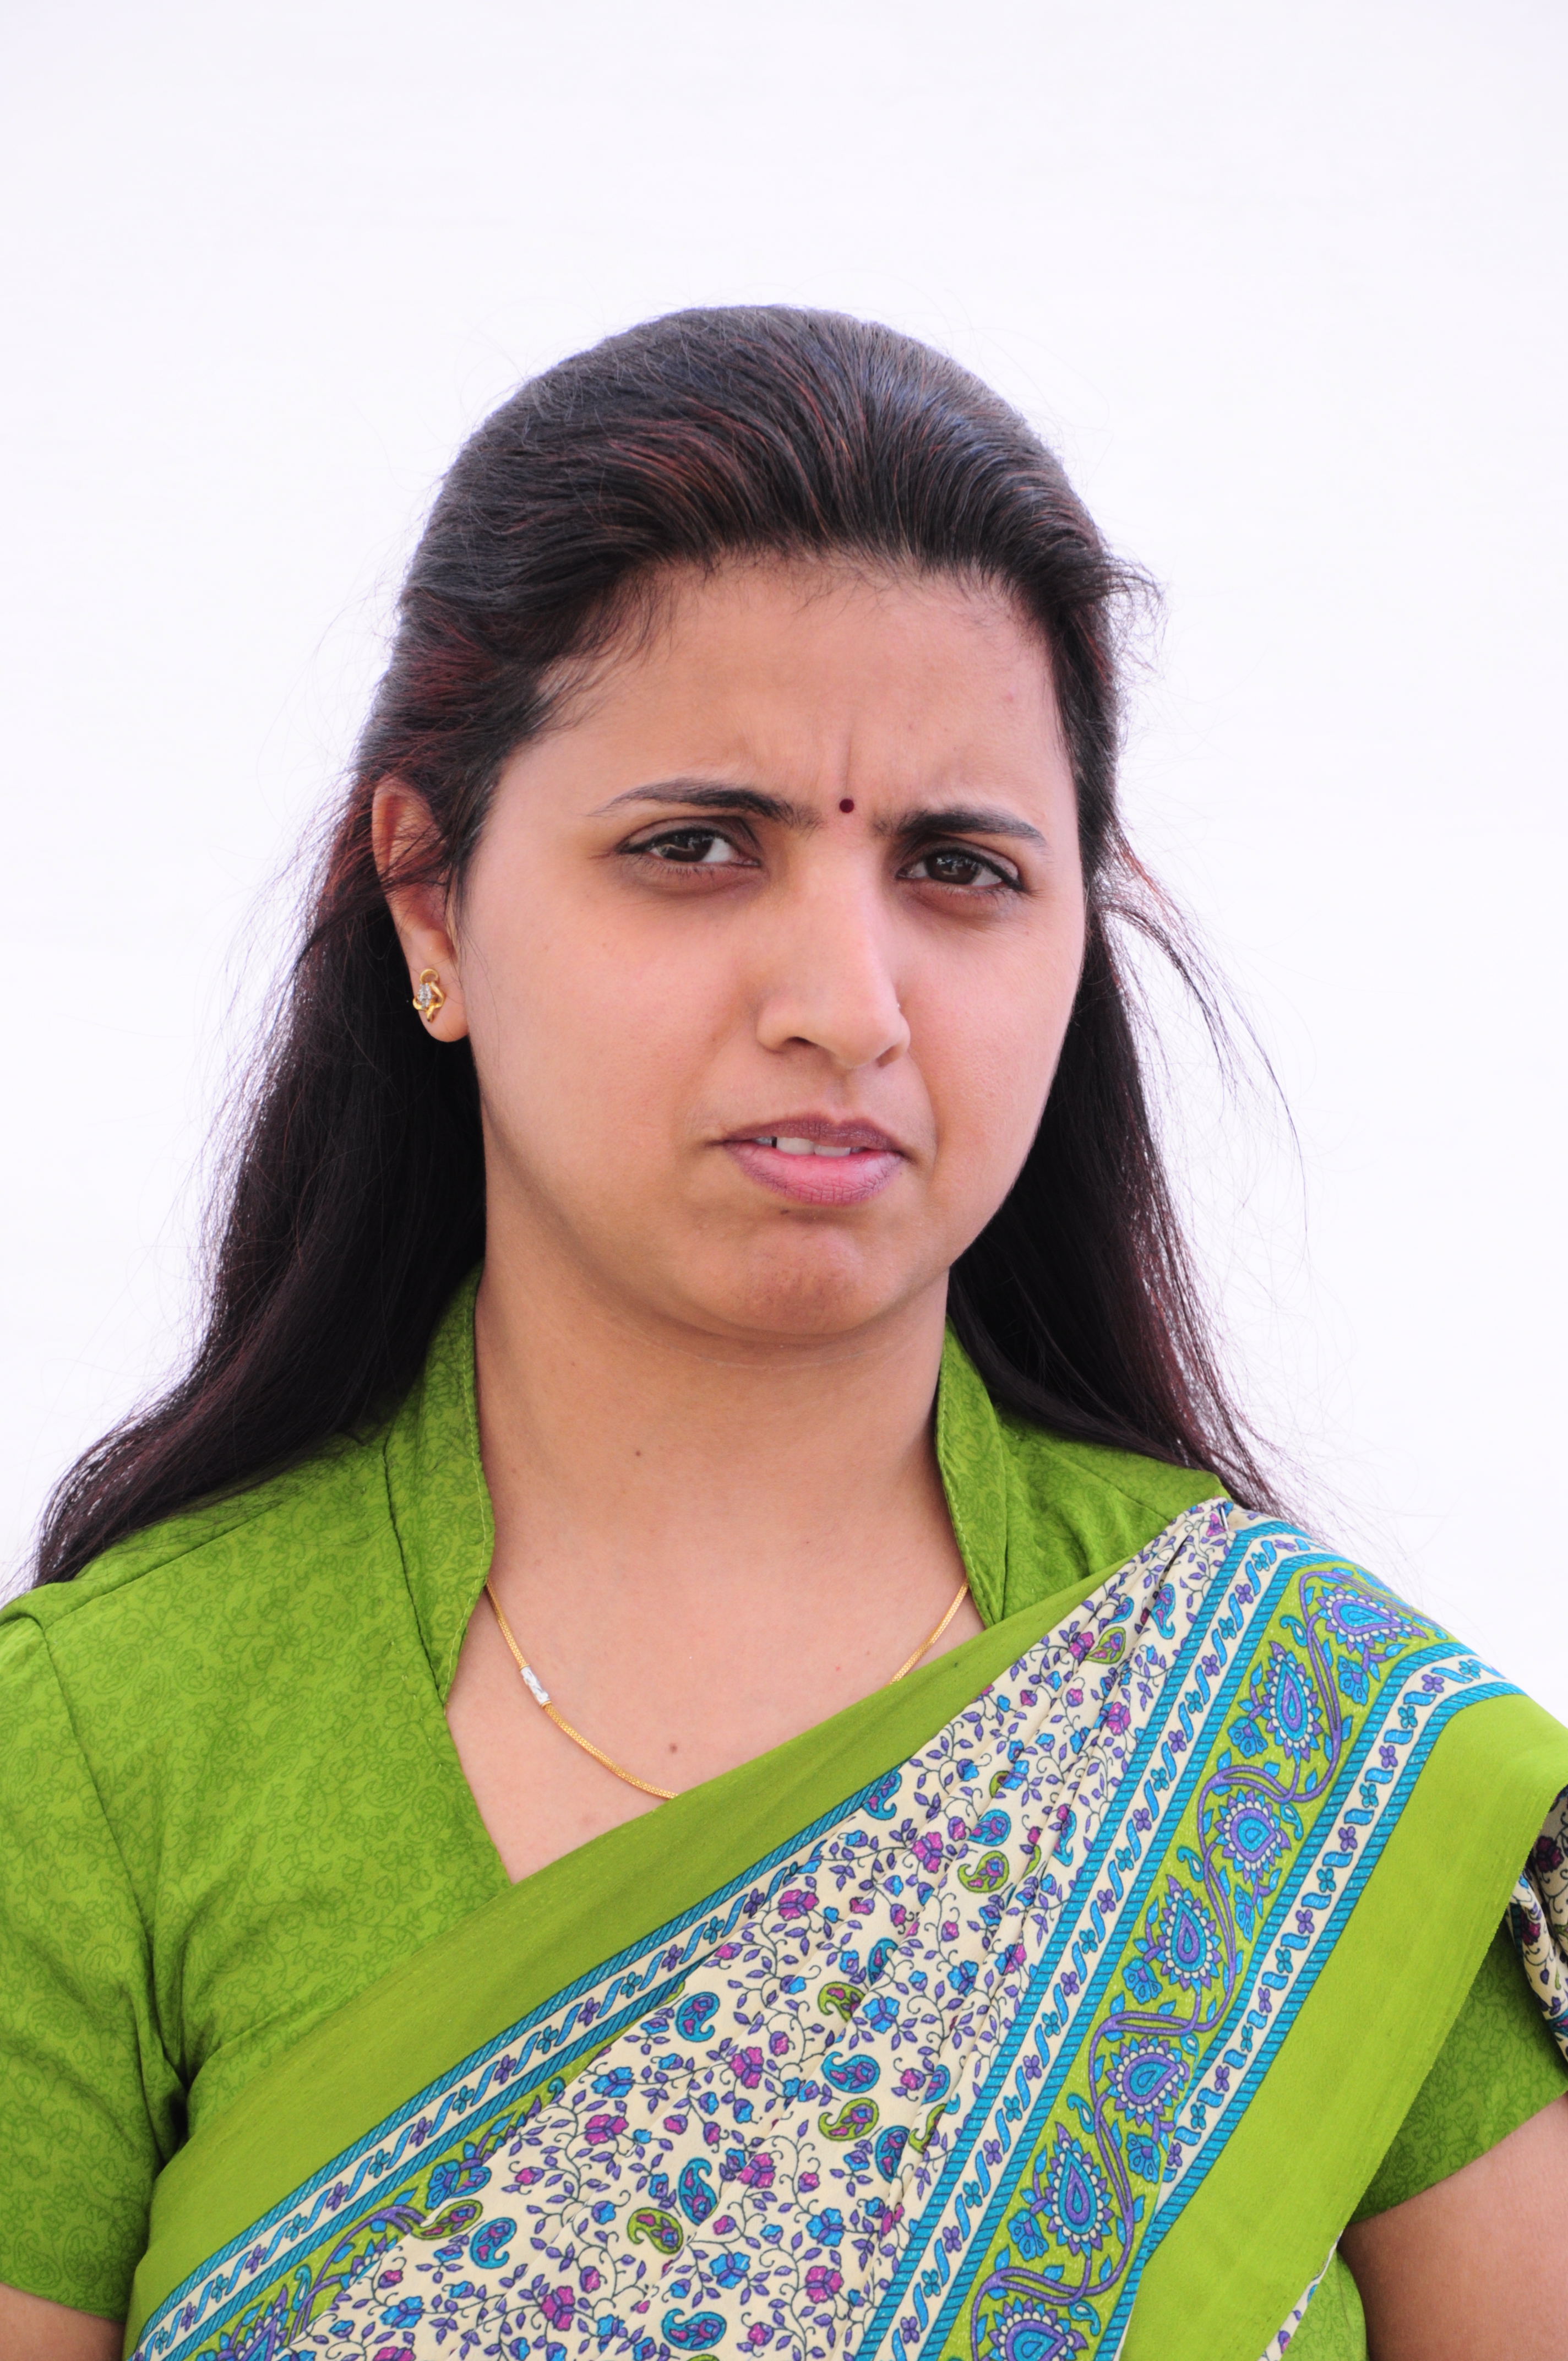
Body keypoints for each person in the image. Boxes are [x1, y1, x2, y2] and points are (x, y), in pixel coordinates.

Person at [2, 309, 1564, 2361]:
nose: (848, 1001)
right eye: (697, 847)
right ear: (430, 898)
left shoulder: (1296, 1759)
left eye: (959, 868)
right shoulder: (107, 1753)